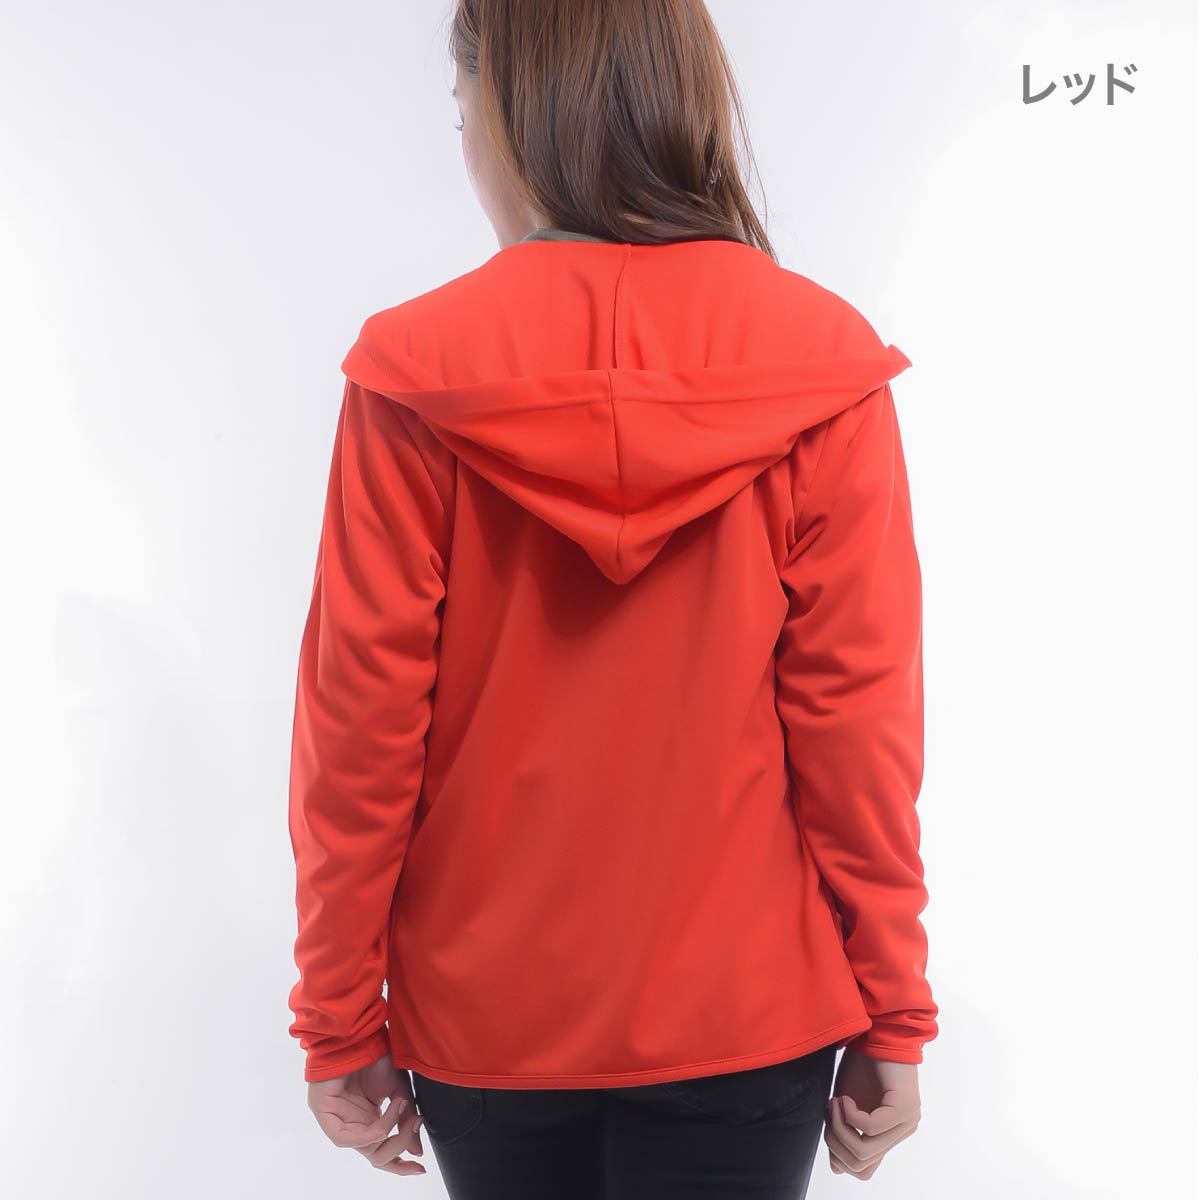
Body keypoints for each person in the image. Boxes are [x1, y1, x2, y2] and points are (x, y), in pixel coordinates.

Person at [285, 1, 938, 1195]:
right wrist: (895, 1005)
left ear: (508, 114)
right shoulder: (820, 359)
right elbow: (859, 729)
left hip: (490, 1017)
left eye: (460, 112)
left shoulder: (415, 372)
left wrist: (336, 1016)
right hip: (750, 1011)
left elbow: (359, 732)